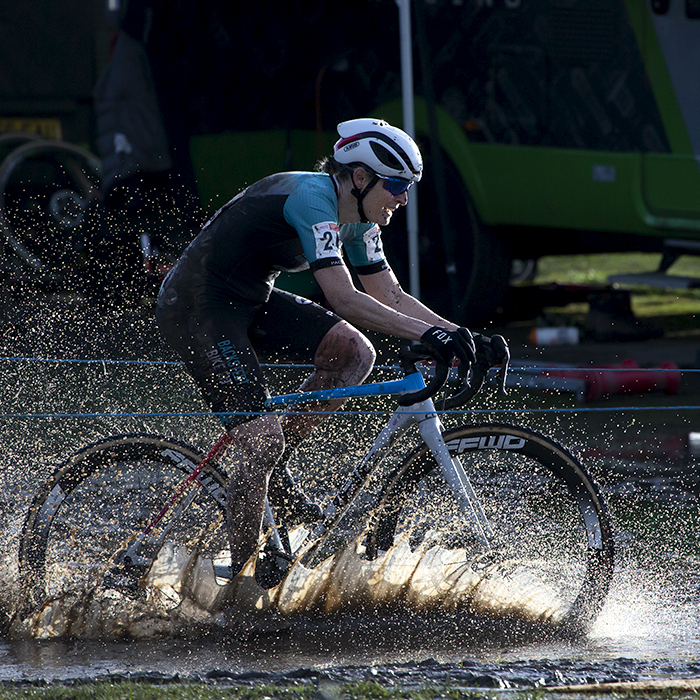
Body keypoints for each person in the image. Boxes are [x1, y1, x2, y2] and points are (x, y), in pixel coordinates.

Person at [156, 117, 482, 580]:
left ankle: (276, 486)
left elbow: (387, 294)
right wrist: (427, 337)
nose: (403, 198)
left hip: (248, 298)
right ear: (361, 178)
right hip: (195, 306)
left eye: (406, 187)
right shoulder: (314, 198)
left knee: (354, 353)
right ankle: (245, 587)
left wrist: (461, 333)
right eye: (396, 185)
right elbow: (344, 297)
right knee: (262, 441)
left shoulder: (361, 218)